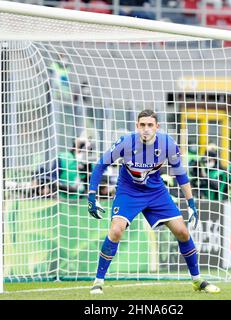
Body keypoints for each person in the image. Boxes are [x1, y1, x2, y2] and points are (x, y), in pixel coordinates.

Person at [87, 109, 220, 294]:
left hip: (156, 192)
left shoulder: (167, 144)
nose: (146, 129)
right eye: (142, 125)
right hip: (128, 192)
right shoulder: (125, 142)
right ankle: (98, 281)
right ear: (137, 126)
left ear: (157, 127)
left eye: (150, 125)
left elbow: (180, 175)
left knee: (182, 231)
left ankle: (197, 280)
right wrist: (92, 195)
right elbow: (100, 165)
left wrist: (191, 204)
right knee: (116, 230)